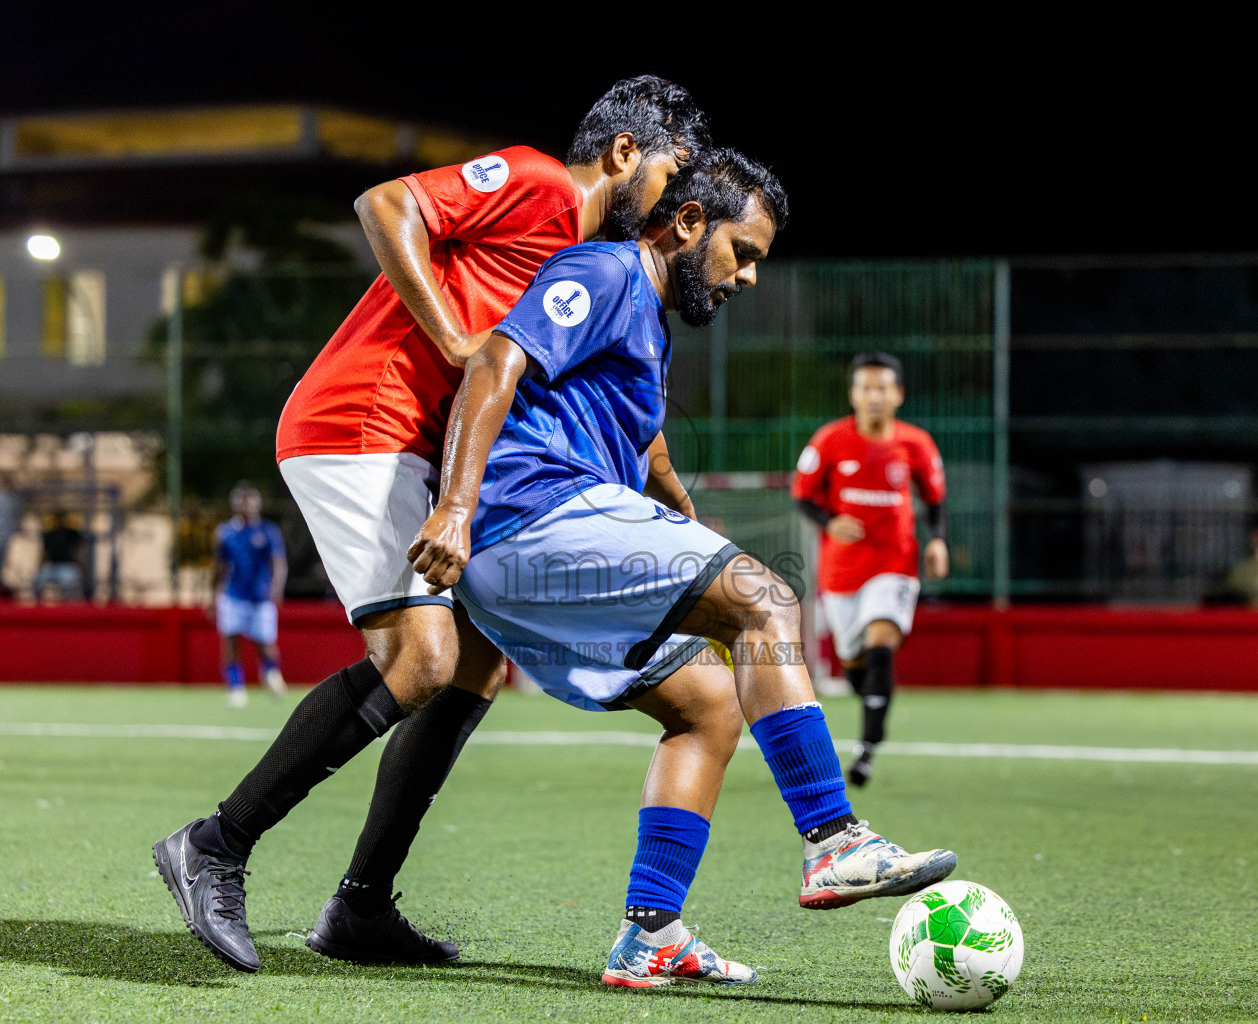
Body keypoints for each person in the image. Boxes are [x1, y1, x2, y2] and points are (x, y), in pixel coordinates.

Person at [153, 77, 713, 973]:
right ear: (621, 155)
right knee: (422, 660)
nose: (673, 199)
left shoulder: (586, 259)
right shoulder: (538, 180)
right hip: (359, 421)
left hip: (412, 443)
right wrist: (456, 339)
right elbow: (385, 205)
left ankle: (360, 907)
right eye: (670, 171)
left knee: (479, 664)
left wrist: (671, 498)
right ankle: (216, 844)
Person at [409, 149, 957, 988]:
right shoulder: (606, 270)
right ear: (690, 223)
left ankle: (649, 933)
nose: (748, 279)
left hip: (534, 555)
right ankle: (834, 840)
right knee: (764, 596)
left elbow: (635, 439)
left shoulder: (648, 323)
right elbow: (493, 362)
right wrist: (453, 507)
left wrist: (678, 513)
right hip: (526, 519)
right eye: (744, 254)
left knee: (707, 704)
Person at [792, 352, 949, 787]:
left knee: (882, 642)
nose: (874, 396)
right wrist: (830, 522)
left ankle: (866, 751)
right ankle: (874, 705)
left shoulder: (916, 444)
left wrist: (936, 539)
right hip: (841, 574)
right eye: (866, 388)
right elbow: (802, 496)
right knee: (853, 659)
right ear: (853, 394)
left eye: (883, 388)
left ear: (898, 395)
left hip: (895, 564)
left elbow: (935, 499)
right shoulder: (829, 440)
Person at [211, 483, 288, 707]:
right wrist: (211, 597)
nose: (249, 505)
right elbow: (218, 567)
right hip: (232, 595)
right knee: (231, 641)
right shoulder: (225, 532)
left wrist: (277, 586)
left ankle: (271, 673)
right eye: (244, 500)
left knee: (265, 642)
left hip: (260, 597)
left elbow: (278, 563)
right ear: (235, 504)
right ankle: (236, 688)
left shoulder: (268, 531)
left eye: (253, 500)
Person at [33, 510, 86, 603]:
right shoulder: (49, 535)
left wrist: (81, 566)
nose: (60, 522)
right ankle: (37, 603)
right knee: (37, 580)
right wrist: (39, 567)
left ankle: (69, 605)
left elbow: (79, 552)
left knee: (70, 583)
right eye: (58, 519)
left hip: (68, 566)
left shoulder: (73, 534)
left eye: (63, 519)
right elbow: (44, 553)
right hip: (52, 565)